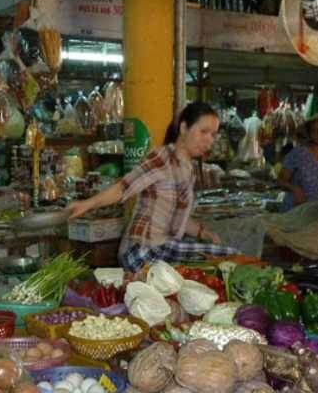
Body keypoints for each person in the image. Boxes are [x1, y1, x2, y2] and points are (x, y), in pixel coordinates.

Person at [66, 102, 229, 271]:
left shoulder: (188, 169)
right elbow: (124, 187)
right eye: (203, 132)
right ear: (183, 128)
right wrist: (87, 204)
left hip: (164, 248)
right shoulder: (162, 158)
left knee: (222, 261)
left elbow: (177, 218)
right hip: (141, 251)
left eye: (213, 134)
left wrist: (203, 232)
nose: (209, 141)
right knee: (226, 256)